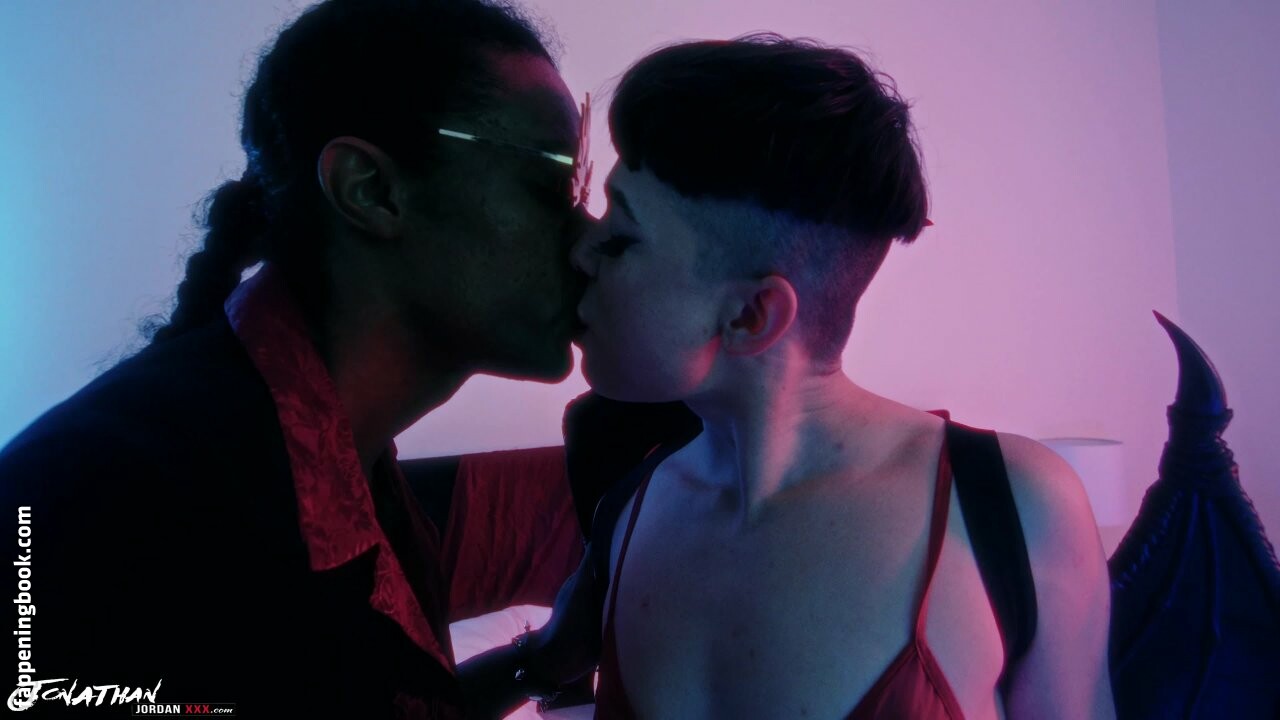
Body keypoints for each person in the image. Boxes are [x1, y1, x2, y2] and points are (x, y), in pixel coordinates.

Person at [483, 34, 1115, 719]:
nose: (581, 251)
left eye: (621, 236)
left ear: (751, 315)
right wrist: (543, 662)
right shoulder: (625, 508)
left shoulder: (1013, 509)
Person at [0, 0, 592, 717]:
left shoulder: (333, 462)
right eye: (553, 185)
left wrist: (539, 663)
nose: (591, 238)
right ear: (370, 190)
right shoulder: (112, 516)